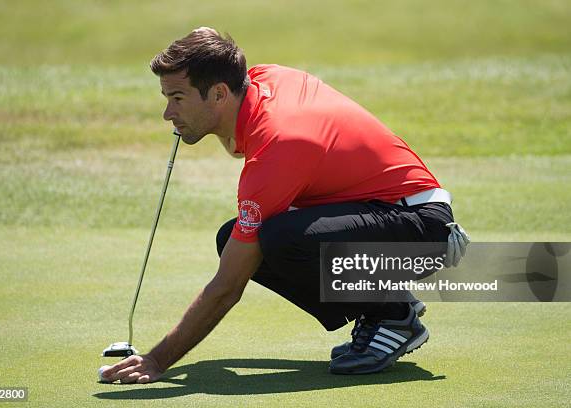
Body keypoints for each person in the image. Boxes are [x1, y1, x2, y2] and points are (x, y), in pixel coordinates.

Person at [102, 27, 468, 383]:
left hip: (422, 226)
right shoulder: (258, 81)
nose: (168, 113)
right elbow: (237, 138)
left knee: (276, 238)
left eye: (177, 98)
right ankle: (384, 300)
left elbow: (227, 287)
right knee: (234, 236)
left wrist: (157, 359)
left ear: (218, 93)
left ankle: (392, 315)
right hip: (387, 213)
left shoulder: (278, 144)